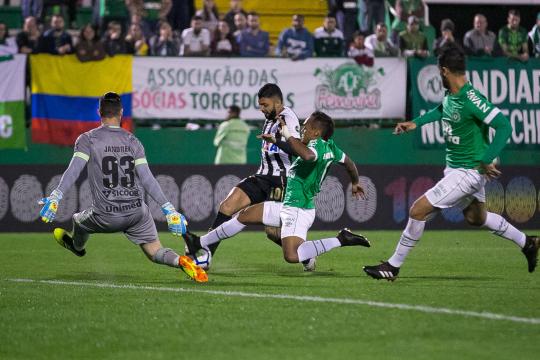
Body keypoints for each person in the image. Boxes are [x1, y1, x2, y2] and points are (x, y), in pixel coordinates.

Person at [363, 43, 539, 281]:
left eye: (439, 73)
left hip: (468, 171)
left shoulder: (471, 99)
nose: (439, 76)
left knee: (418, 210)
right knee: (477, 217)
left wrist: (487, 159)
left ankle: (392, 266)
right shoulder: (452, 95)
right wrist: (416, 122)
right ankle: (527, 242)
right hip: (457, 169)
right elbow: (442, 109)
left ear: (444, 71)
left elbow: (504, 126)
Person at [38, 92, 208, 283]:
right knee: (154, 251)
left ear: (99, 112)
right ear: (121, 112)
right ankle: (180, 261)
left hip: (106, 216)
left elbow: (74, 170)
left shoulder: (87, 139)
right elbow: (147, 178)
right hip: (136, 212)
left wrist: (56, 196)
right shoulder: (132, 141)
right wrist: (169, 209)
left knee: (78, 220)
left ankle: (77, 248)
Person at [184, 112, 370, 270]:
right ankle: (200, 243)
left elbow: (307, 155)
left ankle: (341, 239)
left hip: (299, 209)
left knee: (291, 255)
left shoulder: (315, 146)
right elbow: (349, 163)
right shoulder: (331, 147)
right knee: (245, 215)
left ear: (316, 132)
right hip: (289, 205)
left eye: (306, 127)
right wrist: (355, 182)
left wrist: (287, 134)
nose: (303, 130)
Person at [183, 83, 301, 269]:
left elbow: (296, 149)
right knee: (227, 206)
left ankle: (306, 256)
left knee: (272, 232)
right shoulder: (271, 117)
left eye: (265, 105)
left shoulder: (288, 118)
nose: (261, 109)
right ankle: (206, 255)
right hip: (262, 176)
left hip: (281, 180)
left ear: (277, 102)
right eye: (260, 105)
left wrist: (277, 141)